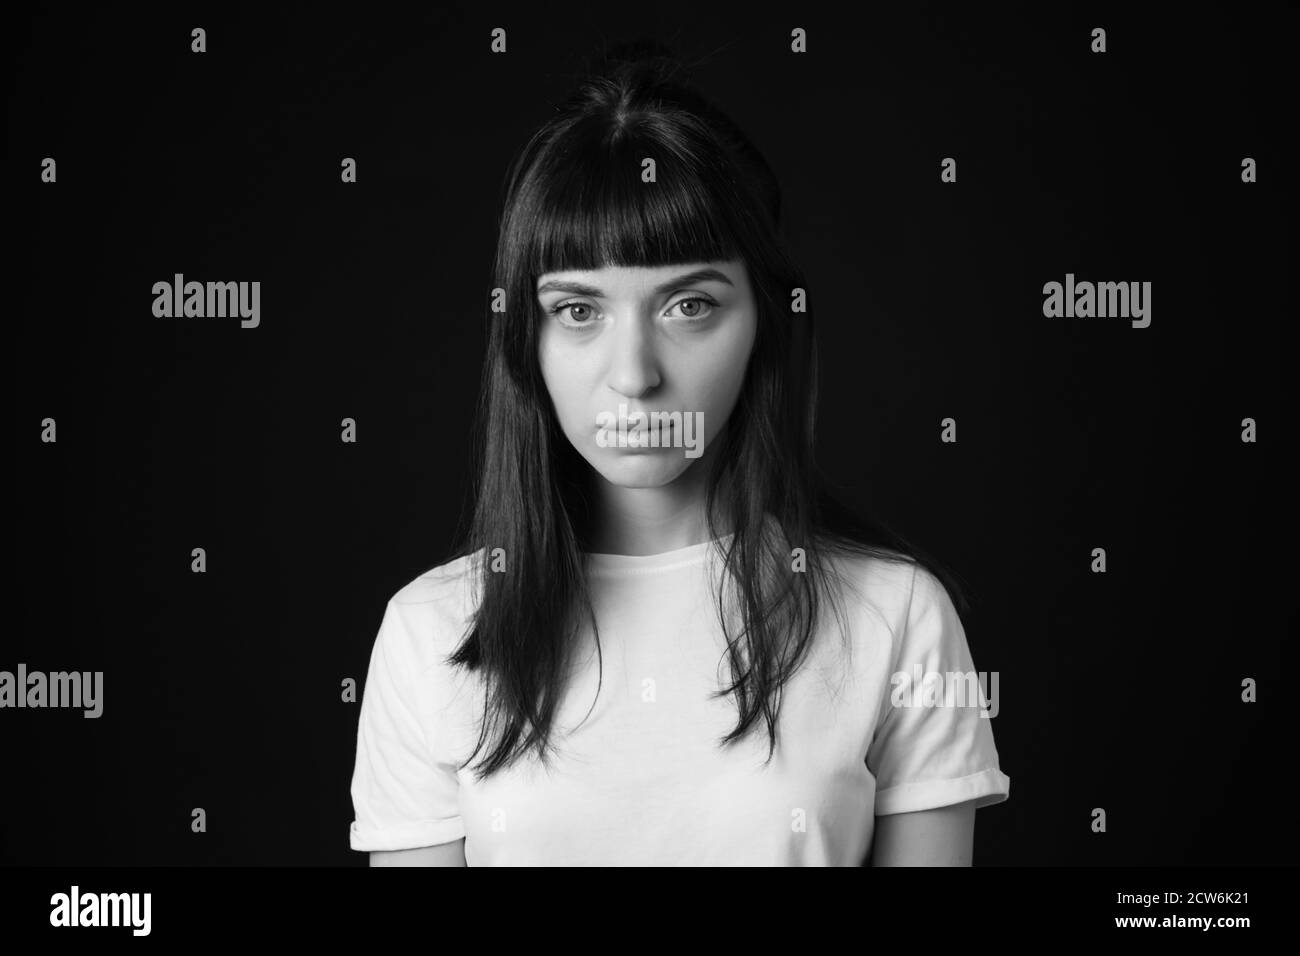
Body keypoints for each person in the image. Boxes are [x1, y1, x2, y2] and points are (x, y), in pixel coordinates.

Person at [349, 41, 1010, 866]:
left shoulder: (897, 615)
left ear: (766, 322)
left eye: (689, 304)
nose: (634, 375)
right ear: (526, 336)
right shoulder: (431, 633)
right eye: (579, 310)